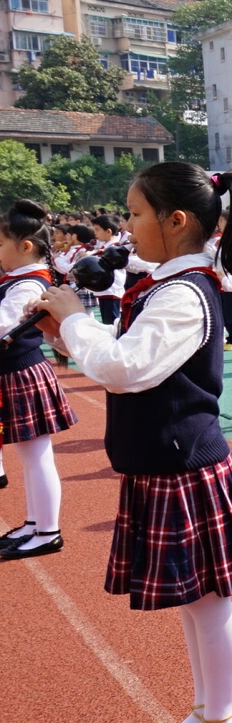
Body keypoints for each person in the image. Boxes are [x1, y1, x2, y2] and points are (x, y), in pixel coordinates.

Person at [36, 164, 232, 723]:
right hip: (165, 462)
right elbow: (123, 359)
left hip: (183, 462)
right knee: (196, 603)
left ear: (176, 220)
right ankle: (209, 709)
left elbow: (124, 368)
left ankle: (222, 717)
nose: (127, 226)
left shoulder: (185, 293)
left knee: (209, 602)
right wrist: (65, 333)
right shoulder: (169, 286)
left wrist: (76, 317)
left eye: (136, 213)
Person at [0, 200, 77, 558]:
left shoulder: (29, 283)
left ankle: (47, 531)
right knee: (29, 456)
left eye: (0, 244)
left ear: (25, 246)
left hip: (22, 372)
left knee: (37, 456)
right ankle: (34, 523)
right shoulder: (16, 279)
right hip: (13, 373)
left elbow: (4, 324)